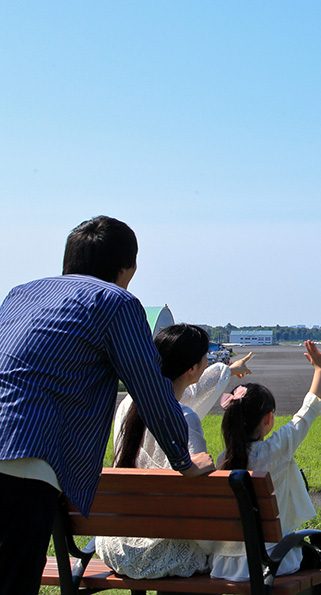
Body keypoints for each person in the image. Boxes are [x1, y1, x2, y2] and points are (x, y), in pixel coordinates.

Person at [0, 216, 214, 595]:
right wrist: (183, 459)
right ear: (127, 268)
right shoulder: (116, 302)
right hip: (27, 459)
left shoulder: (19, 294)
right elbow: (151, 388)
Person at [96, 324, 253, 579]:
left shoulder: (129, 404)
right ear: (192, 369)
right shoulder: (184, 418)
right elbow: (198, 498)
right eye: (205, 358)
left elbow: (191, 392)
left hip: (114, 545)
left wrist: (228, 370)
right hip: (156, 552)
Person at [209, 340, 321, 581]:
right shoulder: (276, 450)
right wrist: (320, 369)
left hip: (223, 564)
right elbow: (307, 411)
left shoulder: (224, 459)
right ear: (268, 419)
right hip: (271, 562)